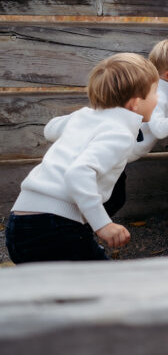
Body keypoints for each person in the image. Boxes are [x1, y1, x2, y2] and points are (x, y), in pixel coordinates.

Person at [4, 53, 159, 263]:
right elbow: (78, 173)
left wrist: (83, 117)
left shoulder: (84, 117)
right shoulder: (119, 133)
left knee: (53, 291)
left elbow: (50, 130)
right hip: (54, 226)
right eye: (155, 93)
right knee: (100, 288)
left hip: (19, 222)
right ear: (135, 103)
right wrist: (103, 224)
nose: (157, 100)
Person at [103, 39, 168, 217]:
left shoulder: (162, 93)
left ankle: (86, 231)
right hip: (113, 155)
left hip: (119, 156)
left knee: (112, 199)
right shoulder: (158, 96)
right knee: (112, 200)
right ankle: (84, 231)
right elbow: (159, 129)